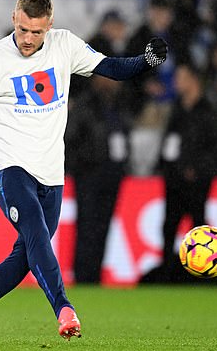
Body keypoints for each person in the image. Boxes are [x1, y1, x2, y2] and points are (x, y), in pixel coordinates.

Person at [0, 0, 168, 343]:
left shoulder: (64, 45)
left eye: (36, 33)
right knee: (37, 236)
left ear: (49, 26)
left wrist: (146, 60)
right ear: (14, 19)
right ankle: (64, 310)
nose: (27, 39)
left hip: (51, 172)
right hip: (8, 167)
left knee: (26, 256)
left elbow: (110, 68)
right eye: (22, 30)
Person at [141, 64, 217, 283]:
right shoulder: (177, 108)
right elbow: (170, 141)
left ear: (194, 81)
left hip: (197, 181)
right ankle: (167, 274)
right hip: (174, 178)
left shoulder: (208, 111)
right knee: (169, 226)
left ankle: (202, 275)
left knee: (198, 227)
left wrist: (197, 169)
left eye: (182, 77)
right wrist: (163, 165)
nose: (176, 81)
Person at [65, 75, 132, 284]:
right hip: (89, 176)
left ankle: (94, 276)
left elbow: (124, 135)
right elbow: (70, 138)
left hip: (112, 175)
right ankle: (83, 276)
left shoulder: (118, 105)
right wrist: (83, 165)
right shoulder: (85, 104)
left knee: (103, 227)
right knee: (87, 227)